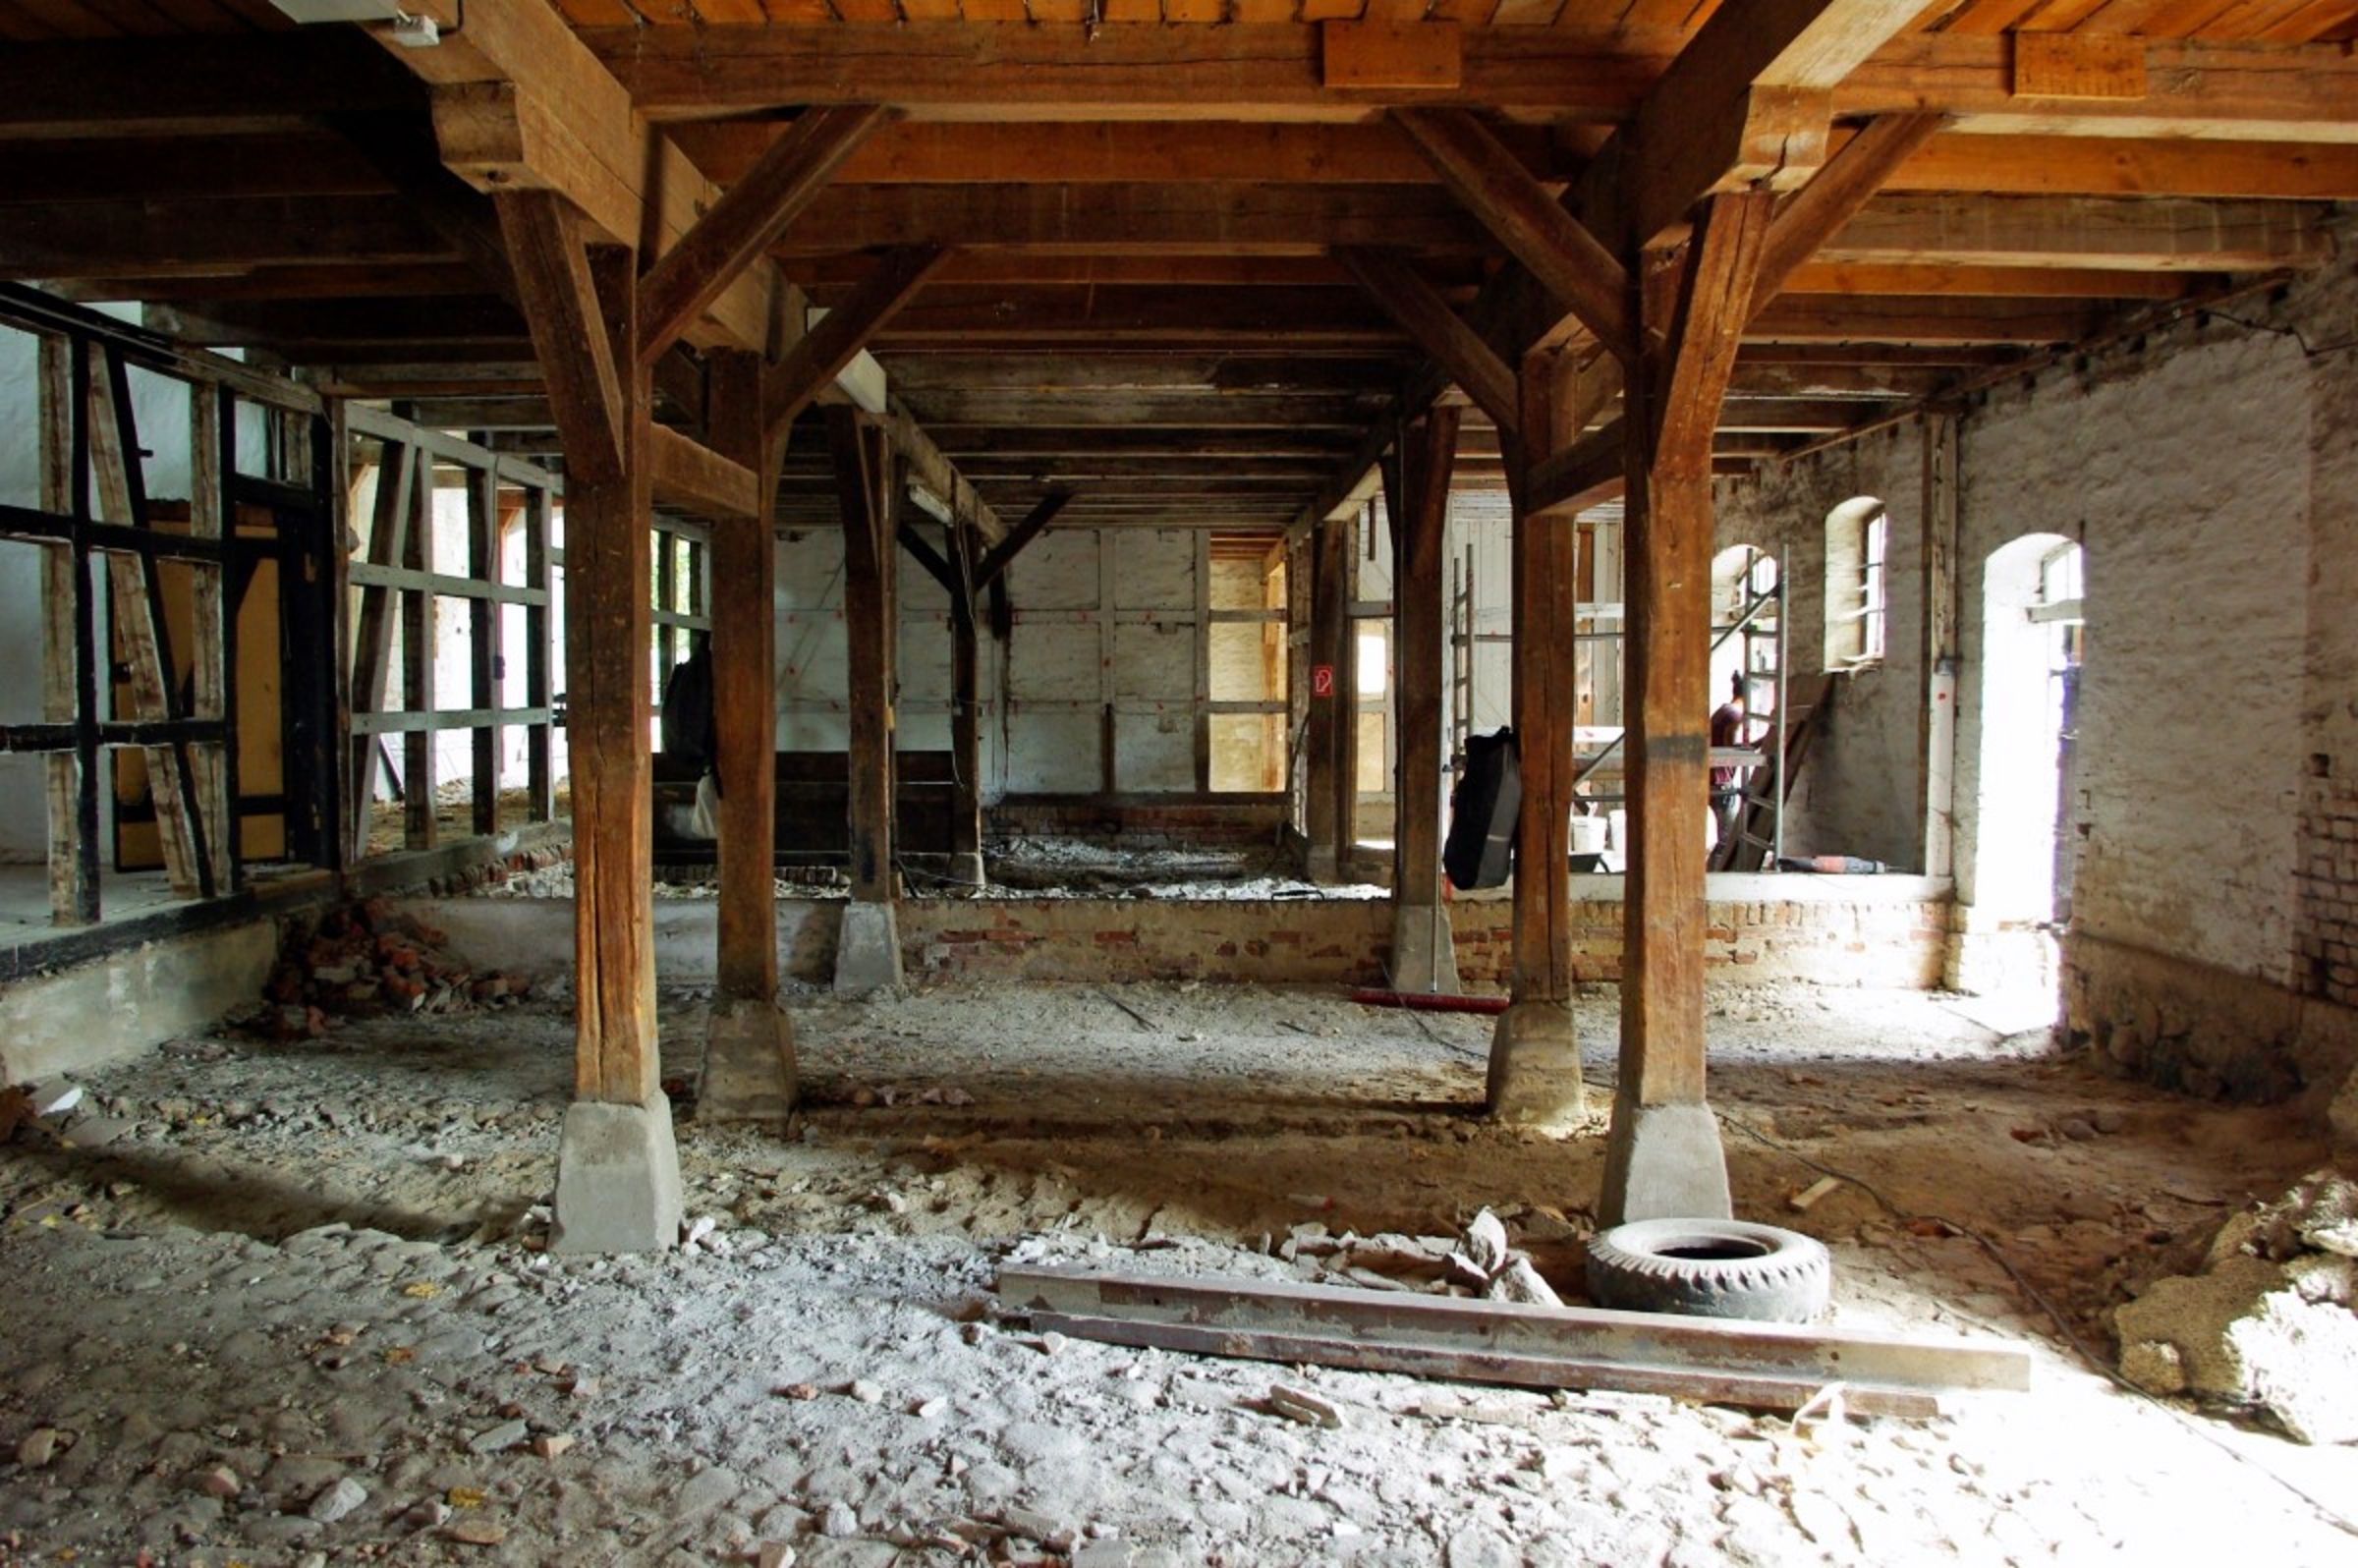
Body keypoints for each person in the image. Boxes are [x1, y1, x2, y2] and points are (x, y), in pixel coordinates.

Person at [1710, 670, 1752, 854]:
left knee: (1724, 836)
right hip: (1721, 782)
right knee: (1727, 839)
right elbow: (1731, 749)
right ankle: (1720, 868)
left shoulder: (1722, 711)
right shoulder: (1734, 716)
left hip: (1712, 778)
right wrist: (1759, 744)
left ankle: (1717, 866)